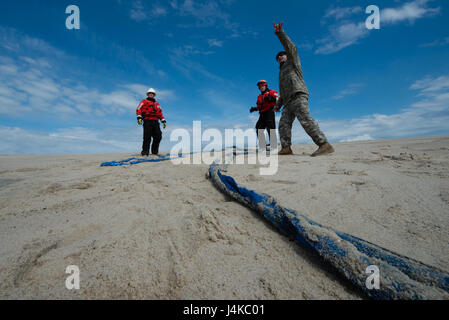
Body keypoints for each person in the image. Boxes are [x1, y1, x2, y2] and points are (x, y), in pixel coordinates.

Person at [273, 22, 335, 156]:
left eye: (282, 55)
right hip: (288, 102)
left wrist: (280, 33)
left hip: (298, 95)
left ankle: (324, 144)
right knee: (283, 125)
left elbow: (291, 48)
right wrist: (278, 105)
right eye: (278, 57)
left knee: (305, 120)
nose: (280, 57)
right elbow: (282, 91)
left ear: (287, 56)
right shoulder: (281, 73)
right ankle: (286, 148)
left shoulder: (293, 63)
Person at [250, 80, 280, 150]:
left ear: (266, 86)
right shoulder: (259, 96)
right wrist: (255, 109)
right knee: (258, 127)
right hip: (262, 114)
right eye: (260, 87)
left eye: (262, 86)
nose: (261, 87)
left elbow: (279, 98)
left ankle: (274, 146)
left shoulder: (271, 92)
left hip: (269, 112)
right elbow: (260, 106)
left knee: (270, 128)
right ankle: (263, 146)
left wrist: (271, 98)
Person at [136, 88, 167, 156]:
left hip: (155, 122)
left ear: (154, 95)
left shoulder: (157, 104)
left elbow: (160, 113)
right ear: (147, 94)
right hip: (147, 121)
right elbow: (138, 109)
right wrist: (139, 117)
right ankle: (145, 153)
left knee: (158, 136)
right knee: (147, 137)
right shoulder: (144, 101)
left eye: (152, 93)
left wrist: (163, 120)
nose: (151, 94)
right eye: (150, 93)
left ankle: (154, 152)